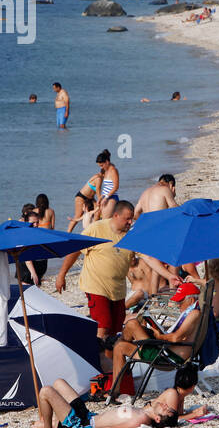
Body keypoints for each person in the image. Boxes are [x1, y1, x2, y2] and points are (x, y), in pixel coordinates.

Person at [55, 201, 135, 340]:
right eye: (127, 219)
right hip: (96, 285)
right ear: (116, 215)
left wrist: (169, 276)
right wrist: (62, 274)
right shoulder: (97, 229)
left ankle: (111, 359)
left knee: (115, 332)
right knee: (103, 325)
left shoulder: (130, 236)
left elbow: (146, 259)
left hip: (118, 290)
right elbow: (76, 249)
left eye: (131, 219)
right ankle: (97, 358)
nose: (130, 222)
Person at [105, 281, 203, 390]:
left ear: (191, 300)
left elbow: (176, 338)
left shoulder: (194, 314)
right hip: (165, 350)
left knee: (130, 328)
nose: (178, 305)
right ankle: (113, 391)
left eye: (180, 302)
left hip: (167, 356)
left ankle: (113, 344)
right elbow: (179, 335)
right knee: (124, 339)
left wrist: (159, 336)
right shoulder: (193, 312)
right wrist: (159, 331)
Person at [27, 379, 176, 428]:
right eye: (168, 406)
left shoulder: (140, 420)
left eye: (166, 410)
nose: (165, 405)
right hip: (88, 415)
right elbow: (168, 394)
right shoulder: (145, 411)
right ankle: (52, 424)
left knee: (46, 391)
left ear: (158, 419)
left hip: (82, 424)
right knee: (59, 383)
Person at [95, 150, 120, 218]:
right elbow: (106, 187)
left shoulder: (113, 170)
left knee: (105, 220)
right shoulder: (106, 171)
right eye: (99, 166)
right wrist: (100, 198)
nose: (101, 167)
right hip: (105, 197)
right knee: (96, 219)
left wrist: (106, 198)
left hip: (111, 197)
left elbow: (116, 187)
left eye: (102, 165)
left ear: (107, 162)